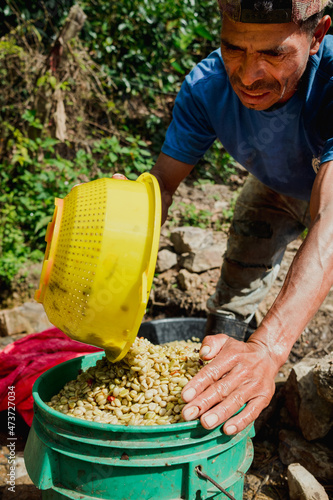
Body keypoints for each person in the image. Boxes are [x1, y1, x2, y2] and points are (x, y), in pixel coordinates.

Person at [147, 0, 333, 435]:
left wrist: (268, 348)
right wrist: (127, 216)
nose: (248, 76)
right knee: (235, 291)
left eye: (273, 53)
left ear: (319, 34)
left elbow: (330, 220)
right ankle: (220, 380)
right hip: (274, 187)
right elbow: (164, 183)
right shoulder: (206, 87)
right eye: (234, 49)